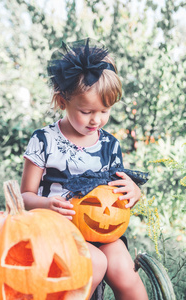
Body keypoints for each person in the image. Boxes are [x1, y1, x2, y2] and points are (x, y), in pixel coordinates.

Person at [21, 38, 149, 300]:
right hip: (56, 228)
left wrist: (133, 192)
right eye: (87, 111)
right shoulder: (44, 140)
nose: (97, 119)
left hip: (102, 230)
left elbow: (115, 196)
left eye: (105, 110)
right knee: (95, 262)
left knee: (124, 270)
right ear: (62, 101)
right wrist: (47, 204)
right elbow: (24, 198)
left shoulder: (110, 145)